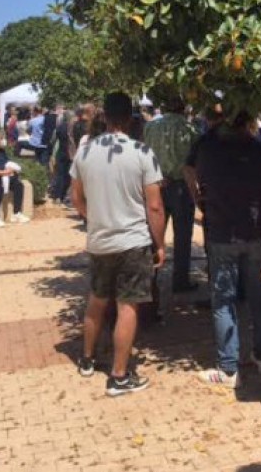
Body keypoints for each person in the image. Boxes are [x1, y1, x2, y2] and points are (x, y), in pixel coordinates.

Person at [69, 92, 166, 396]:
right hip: (133, 241)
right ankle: (119, 376)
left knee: (97, 300)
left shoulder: (84, 153)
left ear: (105, 116)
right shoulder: (141, 153)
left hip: (100, 240)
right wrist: (160, 243)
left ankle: (86, 359)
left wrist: (95, 217)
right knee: (128, 307)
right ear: (130, 118)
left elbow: (76, 199)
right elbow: (154, 206)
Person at [195, 111, 261, 387]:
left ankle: (229, 367)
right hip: (255, 230)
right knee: (260, 299)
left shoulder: (209, 149)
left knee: (224, 301)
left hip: (222, 231)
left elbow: (200, 180)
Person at [143, 94, 200, 319]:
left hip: (156, 184)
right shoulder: (190, 129)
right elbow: (192, 162)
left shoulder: (151, 127)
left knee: (154, 234)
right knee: (182, 235)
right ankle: (180, 279)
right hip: (181, 185)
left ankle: (151, 277)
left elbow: (145, 153)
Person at [51, 111, 74, 204]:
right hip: (71, 153)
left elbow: (53, 140)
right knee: (68, 175)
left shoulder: (59, 127)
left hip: (60, 152)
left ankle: (57, 197)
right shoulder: (72, 127)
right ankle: (63, 195)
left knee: (60, 175)